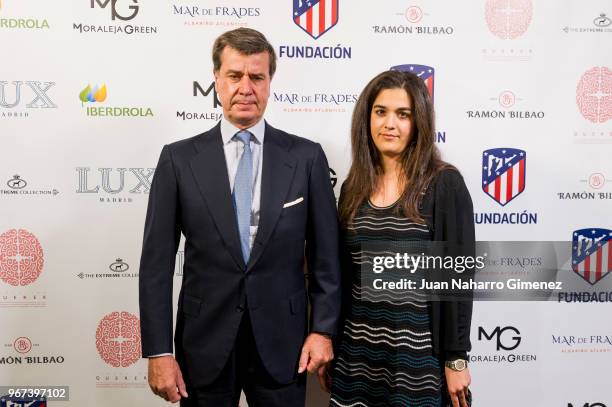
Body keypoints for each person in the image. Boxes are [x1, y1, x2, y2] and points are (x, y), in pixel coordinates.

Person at [139, 28, 341, 407]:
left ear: (269, 83)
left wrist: (324, 330)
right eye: (235, 75)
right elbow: (155, 266)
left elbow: (326, 258)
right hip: (203, 345)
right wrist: (158, 352)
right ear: (216, 79)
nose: (245, 87)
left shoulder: (306, 158)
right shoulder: (179, 160)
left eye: (257, 77)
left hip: (286, 346)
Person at [326, 70, 474, 407]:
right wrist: (333, 343)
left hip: (417, 362)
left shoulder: (443, 185)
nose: (389, 124)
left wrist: (455, 359)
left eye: (402, 114)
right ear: (366, 118)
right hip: (357, 355)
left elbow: (456, 277)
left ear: (418, 122)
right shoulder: (353, 187)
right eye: (380, 112)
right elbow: (345, 277)